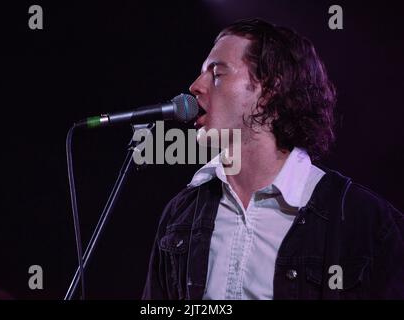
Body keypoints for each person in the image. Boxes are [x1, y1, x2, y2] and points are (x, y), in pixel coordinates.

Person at [142, 18, 404, 300]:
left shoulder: (365, 221)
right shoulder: (181, 214)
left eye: (217, 74)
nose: (194, 86)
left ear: (269, 91)